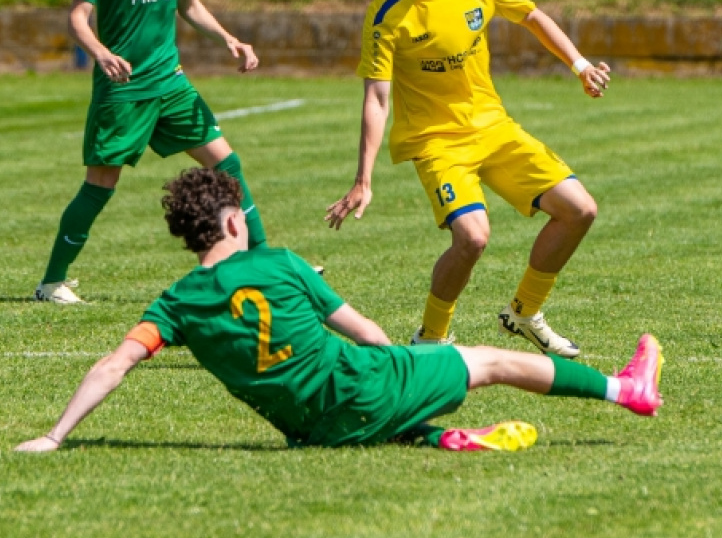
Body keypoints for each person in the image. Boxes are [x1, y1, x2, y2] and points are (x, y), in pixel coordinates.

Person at [15, 168, 663, 455]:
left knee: (373, 401)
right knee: (485, 360)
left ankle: (433, 435)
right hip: (363, 388)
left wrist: (54, 434)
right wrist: (413, 367)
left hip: (312, 432)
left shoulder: (175, 305)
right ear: (235, 219)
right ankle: (624, 389)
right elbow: (367, 333)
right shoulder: (280, 264)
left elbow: (115, 364)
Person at [325, 0, 612, 358]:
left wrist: (579, 65)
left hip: (494, 129)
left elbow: (533, 16)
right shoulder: (386, 15)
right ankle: (432, 339)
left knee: (580, 209)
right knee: (473, 237)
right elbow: (377, 98)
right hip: (437, 144)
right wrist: (363, 179)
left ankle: (525, 312)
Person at [35, 0, 266, 305]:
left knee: (227, 163)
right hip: (123, 90)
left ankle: (263, 263)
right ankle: (51, 282)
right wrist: (100, 52)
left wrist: (228, 38)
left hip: (170, 81)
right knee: (100, 186)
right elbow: (79, 17)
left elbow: (190, 5)